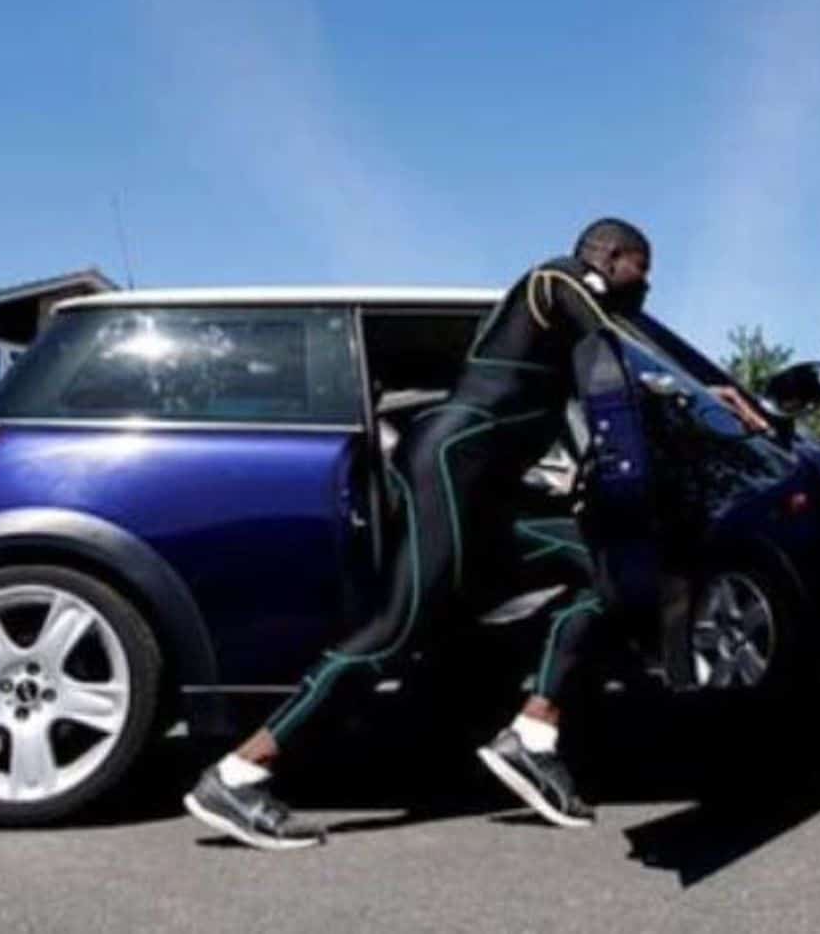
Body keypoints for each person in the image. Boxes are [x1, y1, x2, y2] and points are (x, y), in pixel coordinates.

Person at [183, 219, 769, 850]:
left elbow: (621, 384)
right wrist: (708, 384)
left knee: (609, 570)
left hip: (483, 492)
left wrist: (699, 395)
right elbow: (604, 321)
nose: (647, 282)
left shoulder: (575, 342)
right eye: (641, 266)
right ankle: (239, 775)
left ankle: (533, 735)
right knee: (395, 633)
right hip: (447, 467)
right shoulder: (555, 281)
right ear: (610, 255)